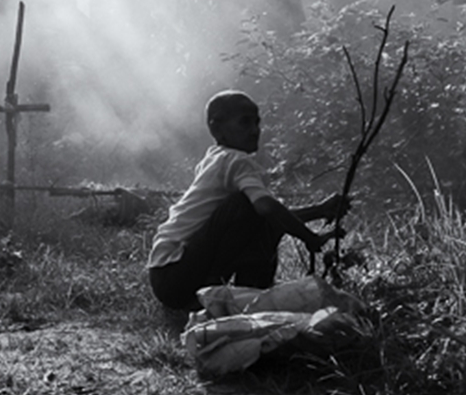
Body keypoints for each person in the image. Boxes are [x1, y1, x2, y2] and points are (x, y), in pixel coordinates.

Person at [148, 90, 349, 310]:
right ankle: (223, 292)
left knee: (262, 214)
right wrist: (309, 237)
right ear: (217, 129)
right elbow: (266, 209)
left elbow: (269, 213)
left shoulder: (215, 157)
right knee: (250, 206)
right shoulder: (236, 160)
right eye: (245, 123)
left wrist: (319, 210)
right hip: (177, 272)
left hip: (164, 276)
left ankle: (249, 293)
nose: (255, 131)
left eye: (257, 123)